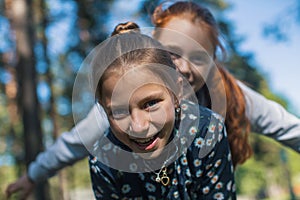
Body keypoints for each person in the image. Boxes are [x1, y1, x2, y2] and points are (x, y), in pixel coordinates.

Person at [6, 1, 300, 199]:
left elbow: (289, 129)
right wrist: (34, 174)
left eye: (197, 57)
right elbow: (73, 143)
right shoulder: (123, 111)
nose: (183, 67)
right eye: (172, 53)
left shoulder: (230, 97)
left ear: (213, 61)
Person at [86, 23, 235, 199]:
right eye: (119, 112)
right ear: (103, 109)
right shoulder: (105, 159)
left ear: (177, 93)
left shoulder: (206, 133)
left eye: (150, 104)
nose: (139, 126)